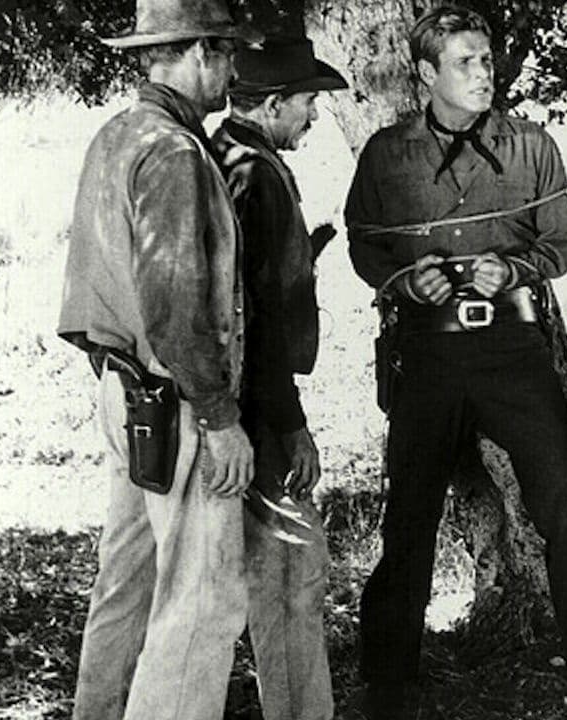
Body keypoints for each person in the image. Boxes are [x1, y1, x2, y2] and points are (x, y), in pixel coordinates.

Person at [343, 5, 567, 717]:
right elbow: (364, 243)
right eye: (466, 63)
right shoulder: (385, 156)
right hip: (426, 357)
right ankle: (391, 686)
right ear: (427, 74)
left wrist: (514, 270)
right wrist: (404, 281)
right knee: (410, 518)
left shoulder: (531, 147)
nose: (484, 74)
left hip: (515, 355)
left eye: (487, 60)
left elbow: (561, 241)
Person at [55, 1, 261, 719]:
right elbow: (174, 298)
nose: (235, 68)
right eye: (228, 53)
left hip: (125, 392)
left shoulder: (116, 137)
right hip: (176, 404)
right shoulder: (175, 150)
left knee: (128, 586)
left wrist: (124, 383)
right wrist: (217, 414)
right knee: (203, 601)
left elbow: (88, 292)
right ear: (199, 52)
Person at [211, 37, 349, 720]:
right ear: (269, 106)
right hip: (256, 412)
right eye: (308, 101)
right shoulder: (255, 174)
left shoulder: (226, 157)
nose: (315, 116)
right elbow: (256, 322)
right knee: (293, 572)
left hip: (226, 407)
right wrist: (291, 427)